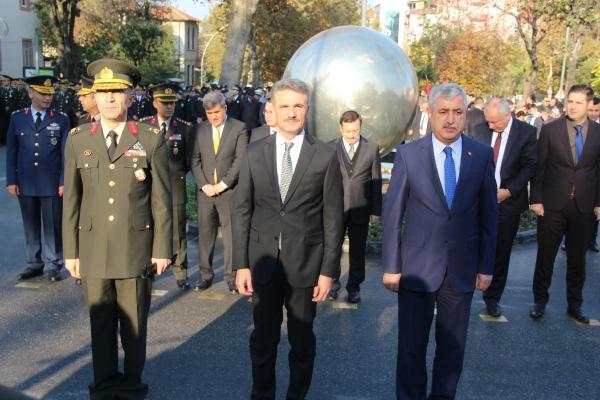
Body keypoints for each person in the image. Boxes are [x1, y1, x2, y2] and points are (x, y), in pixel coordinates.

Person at [62, 58, 172, 399]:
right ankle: (105, 382)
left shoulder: (150, 139)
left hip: (134, 246)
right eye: (103, 92)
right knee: (101, 322)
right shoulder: (79, 139)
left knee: (135, 323)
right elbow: (72, 201)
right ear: (94, 96)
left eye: (118, 92)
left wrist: (162, 248)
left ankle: (132, 382)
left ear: (131, 96)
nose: (110, 98)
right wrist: (71, 251)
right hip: (92, 247)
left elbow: (162, 199)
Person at [382, 83, 497, 400]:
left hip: (461, 271)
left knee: (452, 350)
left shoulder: (481, 155)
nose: (450, 120)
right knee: (410, 349)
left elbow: (490, 217)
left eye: (457, 112)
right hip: (416, 271)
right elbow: (393, 216)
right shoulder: (408, 155)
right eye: (443, 112)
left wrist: (486, 266)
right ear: (430, 113)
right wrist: (391, 266)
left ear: (465, 115)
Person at [233, 78, 344, 400]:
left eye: (298, 106)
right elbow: (241, 211)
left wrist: (328, 271)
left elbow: (333, 218)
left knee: (302, 340)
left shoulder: (325, 154)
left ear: (307, 110)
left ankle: (297, 395)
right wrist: (240, 264)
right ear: (273, 111)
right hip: (263, 263)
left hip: (306, 266)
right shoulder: (253, 152)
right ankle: (262, 395)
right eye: (285, 106)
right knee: (263, 340)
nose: (291, 113)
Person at [529, 84, 600, 324]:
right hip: (551, 205)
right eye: (570, 101)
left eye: (578, 102)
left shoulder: (598, 133)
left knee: (577, 259)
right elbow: (539, 167)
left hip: (584, 206)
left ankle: (575, 305)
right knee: (546, 256)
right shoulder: (550, 130)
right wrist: (535, 199)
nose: (572, 106)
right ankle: (540, 301)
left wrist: (598, 203)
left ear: (589, 105)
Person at [471, 97, 537, 317]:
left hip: (508, 202)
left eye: (495, 123)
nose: (490, 126)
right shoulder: (479, 129)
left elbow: (529, 166)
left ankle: (492, 298)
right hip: (478, 201)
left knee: (501, 252)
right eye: (488, 121)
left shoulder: (525, 133)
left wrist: (509, 191)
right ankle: (462, 291)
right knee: (470, 246)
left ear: (508, 116)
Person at [6, 75, 70, 282]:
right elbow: (11, 152)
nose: (47, 98)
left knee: (52, 225)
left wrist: (63, 181)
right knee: (30, 225)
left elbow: (65, 154)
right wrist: (11, 180)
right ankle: (34, 263)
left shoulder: (60, 118)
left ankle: (53, 263)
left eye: (50, 94)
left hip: (51, 182)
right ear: (30, 92)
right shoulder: (18, 118)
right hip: (25, 181)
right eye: (42, 94)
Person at [190, 91, 247, 293]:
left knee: (231, 235)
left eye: (216, 112)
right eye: (209, 113)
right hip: (205, 192)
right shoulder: (200, 130)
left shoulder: (239, 128)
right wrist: (204, 185)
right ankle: (206, 275)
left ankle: (231, 277)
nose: (213, 117)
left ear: (225, 108)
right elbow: (194, 161)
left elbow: (240, 161)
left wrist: (222, 185)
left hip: (228, 191)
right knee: (206, 234)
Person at [140, 82, 195, 290]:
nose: (169, 107)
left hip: (175, 185)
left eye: (172, 103)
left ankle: (180, 270)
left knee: (178, 230)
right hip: (150, 186)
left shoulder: (184, 127)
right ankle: (150, 267)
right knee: (149, 227)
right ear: (155, 103)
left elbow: (188, 159)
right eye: (165, 103)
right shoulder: (144, 126)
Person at [328, 110, 382, 303]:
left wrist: (376, 210)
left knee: (357, 251)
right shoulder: (330, 148)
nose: (352, 135)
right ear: (340, 128)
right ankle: (333, 284)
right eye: (348, 131)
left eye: (356, 130)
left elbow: (376, 179)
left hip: (361, 207)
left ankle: (354, 287)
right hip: (336, 208)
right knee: (332, 249)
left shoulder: (371, 148)